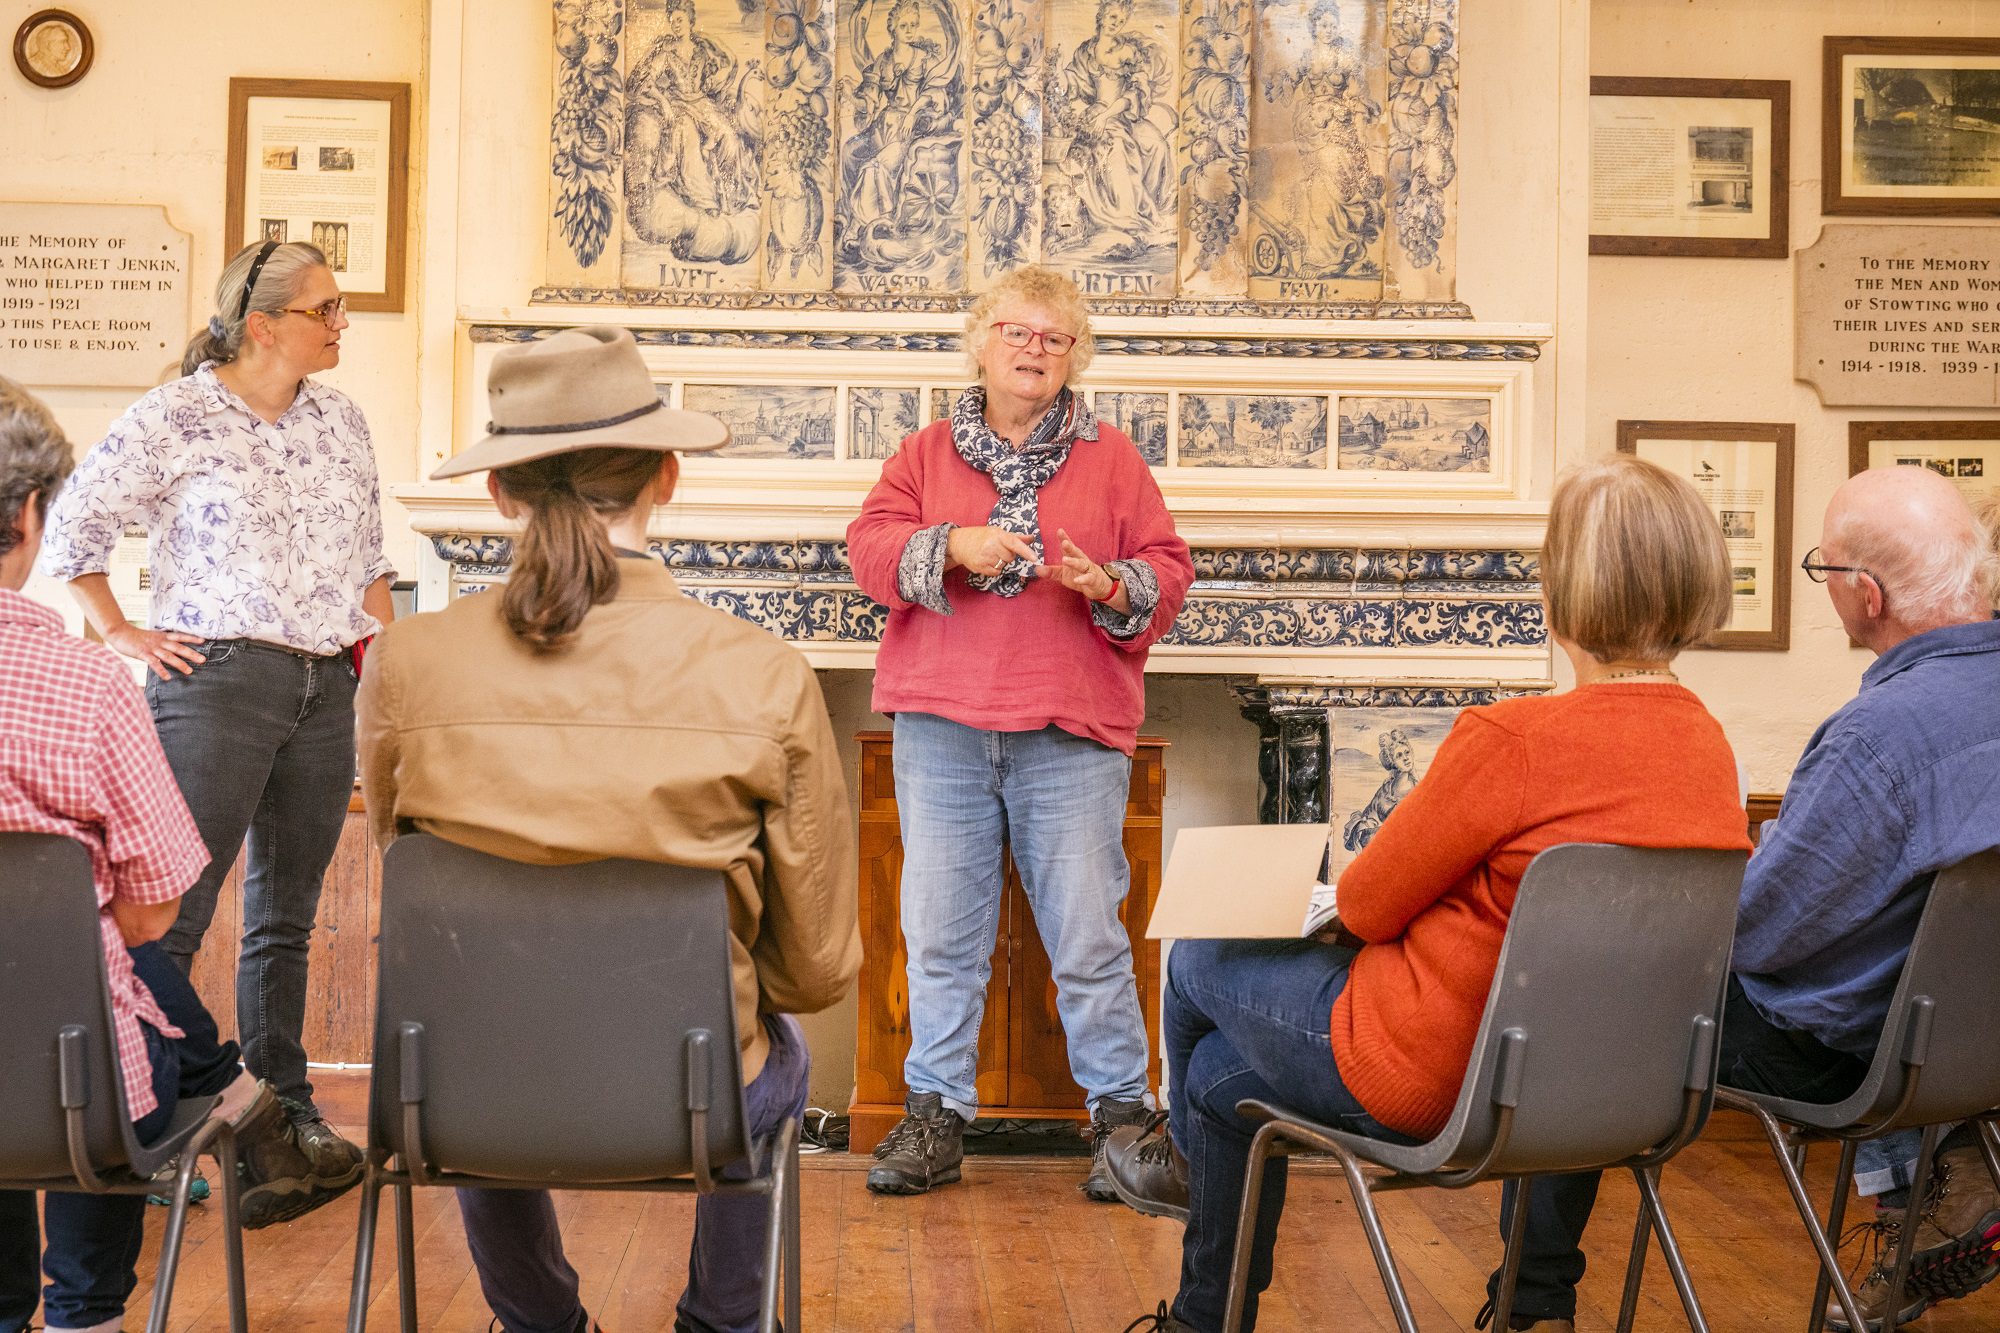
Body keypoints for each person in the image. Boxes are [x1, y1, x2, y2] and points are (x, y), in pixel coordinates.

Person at [1104, 454, 1754, 1332]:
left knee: (1195, 957)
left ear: (1558, 601)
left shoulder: (1513, 738)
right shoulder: (1710, 749)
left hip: (1433, 1077)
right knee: (1222, 1077)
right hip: (1616, 1083)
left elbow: (1369, 906)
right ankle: (1534, 1307)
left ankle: (1185, 1186)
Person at [355, 326, 860, 1333]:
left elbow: (411, 885)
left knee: (474, 1013)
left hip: (464, 1097)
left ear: (500, 491)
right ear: (666, 476)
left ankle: (541, 1321)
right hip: (692, 1097)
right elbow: (811, 968)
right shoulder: (759, 672)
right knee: (782, 1044)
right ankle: (721, 1322)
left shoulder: (404, 664)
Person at [1468, 464, 2000, 1333]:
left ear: (1866, 595)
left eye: (1825, 573)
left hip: (1846, 1050)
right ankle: (1943, 1169)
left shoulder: (1878, 738)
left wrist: (1735, 863)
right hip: (1967, 1047)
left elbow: (1752, 934)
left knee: (1582, 997)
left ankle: (1533, 1305)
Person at [0, 378, 358, 1333]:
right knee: (90, 1029)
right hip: (64, 1075)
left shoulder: (338, 423)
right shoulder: (81, 687)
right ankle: (88, 1313)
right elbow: (155, 913)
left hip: (31, 1057)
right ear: (32, 515)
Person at [38, 238, 394, 1185]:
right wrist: (120, 633)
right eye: (325, 309)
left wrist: (384, 672)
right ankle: (153, 1125)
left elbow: (370, 564)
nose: (341, 323)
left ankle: (284, 1119)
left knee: (287, 916)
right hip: (216, 683)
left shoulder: (343, 422)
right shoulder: (177, 414)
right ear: (264, 323)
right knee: (170, 916)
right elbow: (75, 526)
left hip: (328, 684)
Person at [845, 263, 1195, 1200]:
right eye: (1017, 332)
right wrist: (953, 544)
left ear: (1075, 353)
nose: (1034, 350)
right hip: (942, 726)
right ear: (982, 340)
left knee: (1088, 933)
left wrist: (1109, 583)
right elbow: (869, 548)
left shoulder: (1115, 459)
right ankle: (933, 1118)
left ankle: (1124, 1123)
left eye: (1054, 337)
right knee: (941, 931)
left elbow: (1168, 569)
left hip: (1070, 726)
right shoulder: (922, 457)